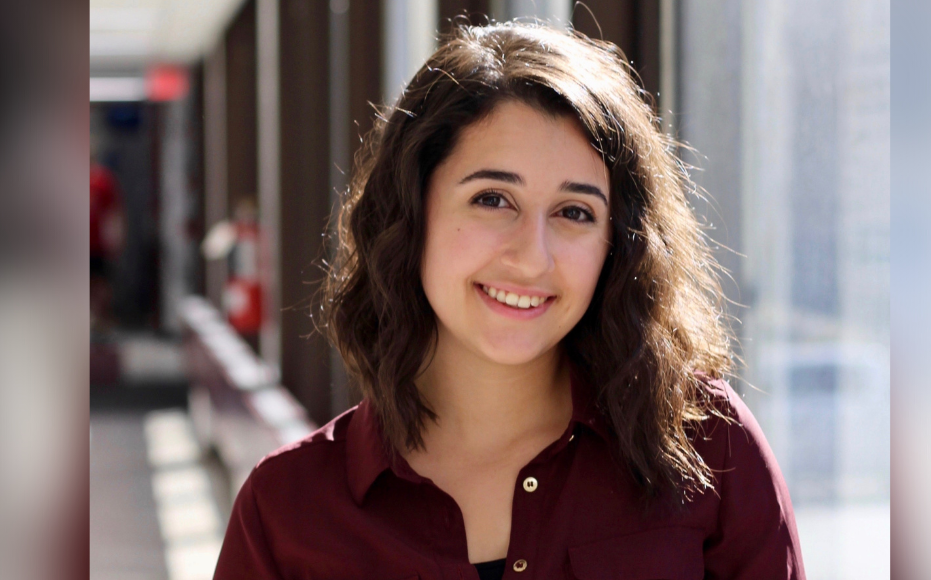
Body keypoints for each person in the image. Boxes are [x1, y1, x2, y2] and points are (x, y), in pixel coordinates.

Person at [214, 21, 805, 579]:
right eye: (493, 199)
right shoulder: (285, 509)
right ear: (411, 213)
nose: (532, 257)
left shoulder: (707, 443)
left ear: (616, 245)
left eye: (575, 212)